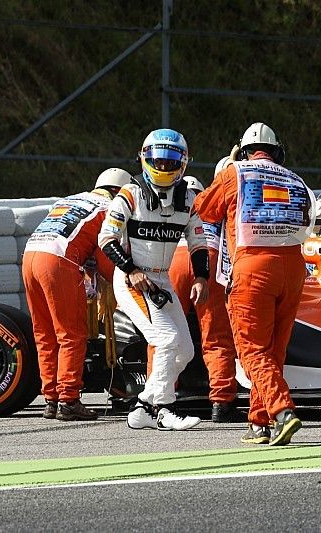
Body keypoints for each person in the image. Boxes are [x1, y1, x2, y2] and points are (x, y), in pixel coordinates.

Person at [194, 122, 316, 446]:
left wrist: (231, 166)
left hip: (253, 266)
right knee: (274, 351)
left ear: (244, 151)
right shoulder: (296, 179)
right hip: (293, 267)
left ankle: (282, 411)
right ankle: (259, 422)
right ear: (278, 152)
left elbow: (204, 208)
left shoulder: (235, 172)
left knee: (253, 350)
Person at [99, 128, 209, 431]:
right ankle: (163, 409)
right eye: (158, 161)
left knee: (185, 351)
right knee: (166, 339)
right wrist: (131, 269)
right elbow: (106, 238)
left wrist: (201, 277)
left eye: (170, 162)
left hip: (162, 281)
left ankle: (144, 406)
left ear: (183, 163)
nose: (163, 167)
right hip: (131, 279)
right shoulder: (129, 194)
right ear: (144, 159)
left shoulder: (190, 199)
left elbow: (199, 242)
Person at [23, 167, 132, 421]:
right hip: (59, 261)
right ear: (119, 192)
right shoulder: (110, 209)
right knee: (71, 334)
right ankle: (69, 399)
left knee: (45, 334)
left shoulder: (69, 200)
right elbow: (106, 261)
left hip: (29, 257)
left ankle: (51, 399)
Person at [162, 174, 243, 423]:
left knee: (164, 334)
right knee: (216, 336)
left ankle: (161, 399)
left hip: (174, 259)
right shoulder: (216, 203)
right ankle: (222, 402)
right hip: (209, 257)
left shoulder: (167, 204)